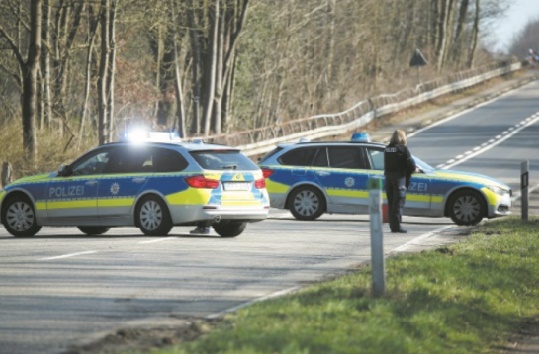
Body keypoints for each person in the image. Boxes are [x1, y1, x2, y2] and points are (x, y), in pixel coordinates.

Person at [384, 129, 416, 233]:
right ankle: (397, 226)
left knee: (391, 203)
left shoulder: (387, 149)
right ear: (402, 137)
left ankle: (393, 226)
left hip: (388, 179)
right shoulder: (403, 149)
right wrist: (413, 170)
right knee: (398, 203)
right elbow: (411, 164)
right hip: (399, 180)